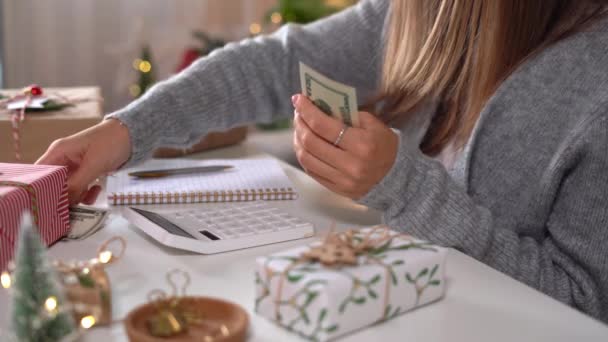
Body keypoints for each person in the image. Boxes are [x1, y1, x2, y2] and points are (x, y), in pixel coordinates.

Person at [38, 0, 608, 322]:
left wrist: (402, 188)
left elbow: (585, 304)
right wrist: (125, 132)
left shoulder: (593, 86)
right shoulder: (430, 15)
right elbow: (270, 65)